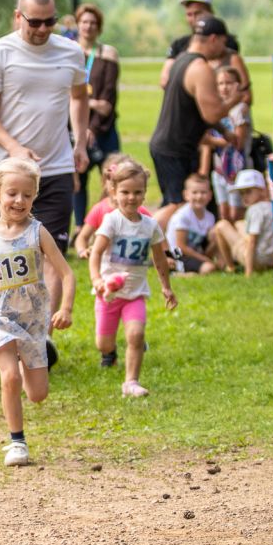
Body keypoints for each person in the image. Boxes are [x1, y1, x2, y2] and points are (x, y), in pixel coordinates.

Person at [0, 0, 89, 259]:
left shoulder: (72, 52)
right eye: (34, 22)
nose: (42, 29)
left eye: (50, 21)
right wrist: (14, 147)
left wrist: (81, 143)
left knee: (52, 256)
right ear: (18, 17)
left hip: (56, 168)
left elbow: (79, 97)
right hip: (6, 170)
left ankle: (51, 306)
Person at [0, 158, 74, 466]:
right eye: (11, 193)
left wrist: (66, 308)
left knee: (37, 394)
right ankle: (17, 442)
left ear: (34, 197)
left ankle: (25, 363)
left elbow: (67, 274)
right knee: (9, 377)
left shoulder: (38, 233)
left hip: (34, 323)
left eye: (26, 195)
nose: (19, 200)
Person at [148, 16, 248, 232]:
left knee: (177, 201)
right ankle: (135, 238)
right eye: (223, 43)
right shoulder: (200, 67)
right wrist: (237, 98)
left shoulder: (181, 60)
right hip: (174, 147)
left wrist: (224, 132)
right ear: (213, 39)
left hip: (168, 144)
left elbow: (198, 110)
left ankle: (170, 252)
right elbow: (212, 114)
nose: (224, 50)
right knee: (177, 204)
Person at [89, 158, 177, 398]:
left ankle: (131, 382)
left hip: (135, 293)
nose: (131, 198)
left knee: (136, 335)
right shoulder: (112, 220)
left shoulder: (150, 226)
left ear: (145, 193)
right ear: (113, 192)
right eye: (125, 192)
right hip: (109, 293)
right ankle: (111, 353)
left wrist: (166, 287)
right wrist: (97, 280)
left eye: (137, 192)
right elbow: (95, 253)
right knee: (103, 344)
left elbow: (159, 259)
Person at [73, 3, 121, 227]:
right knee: (77, 180)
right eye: (84, 22)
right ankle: (81, 227)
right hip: (73, 129)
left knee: (113, 177)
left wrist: (91, 127)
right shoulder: (68, 52)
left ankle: (105, 224)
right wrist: (91, 105)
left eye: (93, 23)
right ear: (77, 24)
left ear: (99, 27)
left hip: (104, 129)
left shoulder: (108, 54)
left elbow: (108, 101)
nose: (88, 27)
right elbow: (63, 95)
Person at [160, 0, 250, 90]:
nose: (194, 18)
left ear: (210, 12)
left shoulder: (227, 43)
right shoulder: (178, 44)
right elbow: (165, 80)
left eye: (198, 13)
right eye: (189, 14)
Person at [210, 170, 273, 276]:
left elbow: (252, 242)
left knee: (221, 226)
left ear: (262, 190)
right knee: (239, 224)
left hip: (258, 260)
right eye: (241, 193)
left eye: (248, 191)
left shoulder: (254, 210)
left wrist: (248, 272)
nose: (244, 197)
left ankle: (231, 267)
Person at [209, 65, 252, 222]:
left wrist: (211, 141)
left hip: (237, 171)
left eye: (228, 83)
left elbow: (237, 142)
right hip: (219, 170)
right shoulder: (214, 109)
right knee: (224, 214)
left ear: (238, 85)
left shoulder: (240, 109)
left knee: (236, 215)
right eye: (220, 83)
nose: (224, 87)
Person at [167, 174, 224, 274]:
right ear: (186, 195)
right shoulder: (183, 216)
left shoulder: (210, 217)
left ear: (210, 195)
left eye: (203, 192)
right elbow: (181, 247)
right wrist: (205, 260)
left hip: (194, 253)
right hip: (178, 255)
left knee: (216, 235)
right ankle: (177, 273)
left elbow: (206, 244)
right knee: (208, 268)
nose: (199, 196)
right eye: (195, 192)